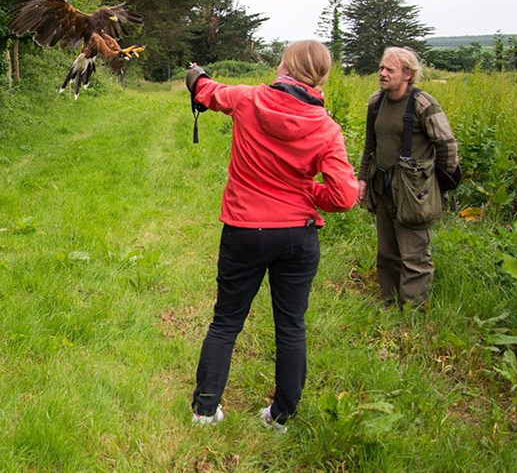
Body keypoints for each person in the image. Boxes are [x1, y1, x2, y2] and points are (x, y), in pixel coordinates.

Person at [185, 40, 359, 431]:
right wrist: (307, 191)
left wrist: (197, 76)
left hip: (245, 229)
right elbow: (345, 197)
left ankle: (205, 411)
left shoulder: (249, 99)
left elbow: (208, 92)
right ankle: (281, 416)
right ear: (322, 76)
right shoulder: (327, 127)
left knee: (226, 322)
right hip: (297, 236)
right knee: (291, 326)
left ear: (285, 66)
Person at [357, 47, 459, 310]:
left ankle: (412, 311)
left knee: (414, 255)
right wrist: (362, 179)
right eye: (381, 68)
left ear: (408, 74)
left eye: (389, 69)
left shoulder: (424, 104)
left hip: (414, 191)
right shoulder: (375, 102)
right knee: (387, 251)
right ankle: (389, 303)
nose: (382, 73)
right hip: (383, 187)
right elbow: (371, 145)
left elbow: (447, 144)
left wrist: (439, 181)